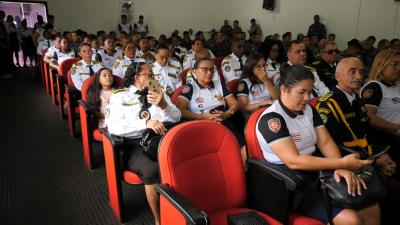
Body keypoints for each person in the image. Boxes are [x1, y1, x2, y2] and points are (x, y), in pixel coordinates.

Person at [256, 64, 380, 225]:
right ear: (284, 89)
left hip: (319, 169)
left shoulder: (308, 109)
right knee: (351, 219)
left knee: (370, 204)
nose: (307, 98)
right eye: (301, 92)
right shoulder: (272, 120)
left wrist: (340, 167)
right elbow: (294, 161)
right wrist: (340, 163)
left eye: (309, 92)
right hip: (292, 181)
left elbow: (325, 141)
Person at [316, 57, 400, 225]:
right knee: (393, 193)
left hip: (366, 160)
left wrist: (381, 155)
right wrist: (373, 161)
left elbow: (367, 132)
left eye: (361, 71)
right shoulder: (328, 105)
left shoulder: (357, 100)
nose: (358, 76)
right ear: (338, 77)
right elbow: (329, 145)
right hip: (349, 164)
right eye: (352, 72)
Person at [106, 62, 181, 225]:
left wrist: (164, 105)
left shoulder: (156, 89)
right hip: (136, 144)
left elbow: (177, 117)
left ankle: (185, 209)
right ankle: (159, 219)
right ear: (136, 77)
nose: (153, 77)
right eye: (149, 74)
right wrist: (145, 123)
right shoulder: (120, 96)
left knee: (185, 158)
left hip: (162, 137)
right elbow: (113, 127)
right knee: (152, 170)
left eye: (153, 74)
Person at [176, 57, 247, 166]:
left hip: (223, 118)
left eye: (212, 69)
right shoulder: (190, 88)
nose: (209, 73)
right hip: (201, 122)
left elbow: (235, 104)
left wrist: (227, 114)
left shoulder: (219, 85)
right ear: (195, 71)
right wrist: (203, 117)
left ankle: (242, 166)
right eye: (205, 69)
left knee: (238, 125)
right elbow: (179, 111)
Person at [361, 49, 400, 161]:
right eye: (394, 64)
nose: (398, 68)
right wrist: (397, 128)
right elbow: (369, 117)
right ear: (380, 65)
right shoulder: (374, 87)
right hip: (384, 140)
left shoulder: (395, 87)